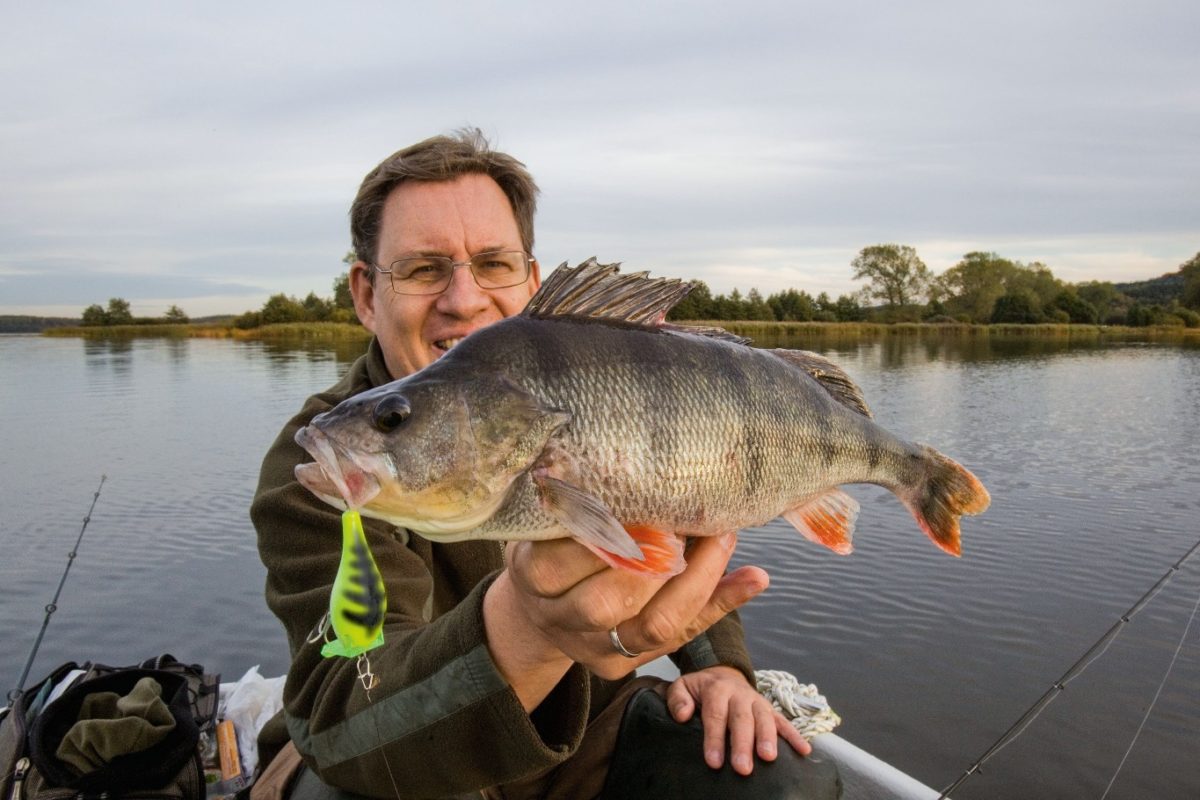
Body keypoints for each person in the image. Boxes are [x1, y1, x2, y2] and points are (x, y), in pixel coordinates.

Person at [251, 129, 825, 799]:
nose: (463, 300)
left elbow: (677, 520)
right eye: (422, 269)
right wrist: (526, 628)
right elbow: (348, 718)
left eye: (492, 264)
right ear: (366, 293)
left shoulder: (592, 382)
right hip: (404, 756)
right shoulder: (342, 458)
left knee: (774, 781)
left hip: (583, 730)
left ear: (531, 280)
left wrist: (720, 666)